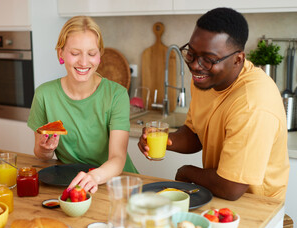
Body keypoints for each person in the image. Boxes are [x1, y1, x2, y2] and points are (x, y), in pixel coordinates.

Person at [138, 7, 289, 201]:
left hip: (258, 209)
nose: (194, 66)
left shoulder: (253, 104)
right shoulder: (205, 79)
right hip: (216, 197)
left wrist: (186, 172)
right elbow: (195, 134)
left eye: (208, 60)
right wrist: (163, 140)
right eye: (191, 54)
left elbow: (230, 188)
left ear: (238, 59)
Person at [28, 16, 138, 194]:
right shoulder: (44, 95)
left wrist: (94, 176)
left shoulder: (117, 95)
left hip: (116, 184)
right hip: (72, 184)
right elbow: (40, 154)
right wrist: (45, 149)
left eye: (91, 53)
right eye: (75, 53)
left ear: (100, 55)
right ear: (60, 53)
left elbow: (118, 157)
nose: (84, 62)